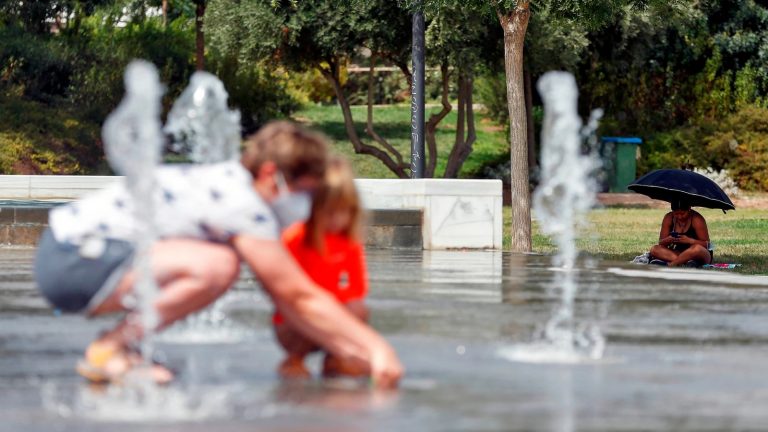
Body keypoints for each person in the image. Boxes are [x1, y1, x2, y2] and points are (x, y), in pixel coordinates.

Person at [33, 121, 403, 388]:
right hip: (74, 260)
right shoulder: (243, 205)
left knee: (217, 263)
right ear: (271, 173)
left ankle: (119, 349)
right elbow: (295, 294)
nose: (307, 205)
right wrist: (377, 348)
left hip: (73, 255)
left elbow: (288, 300)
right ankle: (111, 347)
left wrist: (350, 351)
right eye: (305, 192)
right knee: (216, 267)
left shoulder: (232, 188)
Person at [274, 156, 369, 379]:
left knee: (359, 311)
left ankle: (336, 357)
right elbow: (285, 293)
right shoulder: (295, 239)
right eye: (329, 212)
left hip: (330, 313)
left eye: (344, 211)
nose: (337, 219)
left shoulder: (349, 244)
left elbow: (355, 292)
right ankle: (294, 358)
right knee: (308, 311)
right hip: (294, 322)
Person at [649, 199, 713, 267]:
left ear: (689, 209)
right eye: (676, 214)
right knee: (654, 249)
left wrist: (690, 241)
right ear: (672, 211)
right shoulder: (669, 218)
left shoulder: (697, 219)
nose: (679, 217)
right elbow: (661, 243)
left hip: (698, 254)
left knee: (697, 248)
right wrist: (668, 239)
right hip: (677, 253)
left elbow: (710, 246)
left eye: (682, 213)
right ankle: (686, 263)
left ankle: (671, 264)